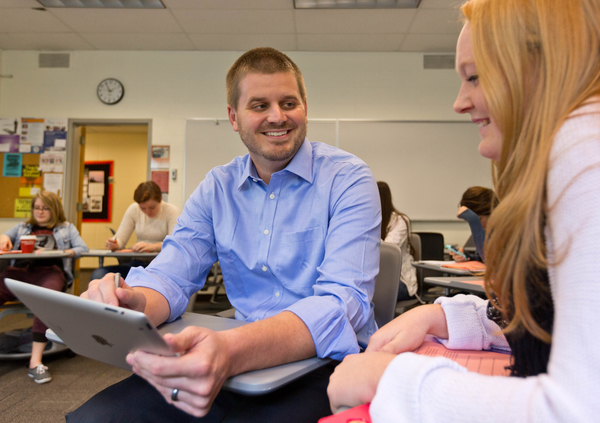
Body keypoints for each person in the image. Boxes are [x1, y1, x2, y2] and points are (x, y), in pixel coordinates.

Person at [67, 47, 380, 422]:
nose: (277, 116)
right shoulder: (217, 187)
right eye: (259, 105)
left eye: (289, 102)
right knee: (97, 418)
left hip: (322, 364)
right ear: (234, 117)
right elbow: (171, 274)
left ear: (305, 107)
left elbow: (342, 303)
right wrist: (133, 300)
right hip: (230, 356)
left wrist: (231, 349)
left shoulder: (348, 178)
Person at [327, 0, 600, 421]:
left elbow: (578, 409)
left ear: (541, 67)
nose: (459, 102)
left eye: (474, 77)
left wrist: (394, 379)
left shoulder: (585, 149)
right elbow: (556, 328)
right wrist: (445, 316)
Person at [0, 191, 88, 384]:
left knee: (44, 299)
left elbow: (83, 249)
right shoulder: (23, 227)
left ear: (54, 209)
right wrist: (5, 238)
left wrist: (60, 251)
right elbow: (5, 236)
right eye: (36, 208)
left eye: (45, 208)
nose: (40, 212)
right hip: (21, 272)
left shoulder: (66, 228)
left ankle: (35, 362)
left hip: (50, 272)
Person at [90, 181, 179, 280]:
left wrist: (152, 246)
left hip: (162, 265)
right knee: (99, 274)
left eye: (152, 207)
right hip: (138, 264)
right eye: (143, 208)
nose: (147, 212)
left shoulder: (171, 211)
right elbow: (120, 240)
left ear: (160, 200)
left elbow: (174, 244)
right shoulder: (134, 209)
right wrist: (114, 244)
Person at [377, 181, 417, 301]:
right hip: (378, 278)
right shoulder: (369, 220)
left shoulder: (400, 221)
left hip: (402, 280)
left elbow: (386, 251)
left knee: (371, 294)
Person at [450, 186, 497, 263]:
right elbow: (482, 258)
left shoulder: (507, 231)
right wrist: (467, 257)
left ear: (492, 212)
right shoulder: (487, 232)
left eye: (479, 219)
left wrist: (473, 220)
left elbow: (491, 262)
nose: (478, 225)